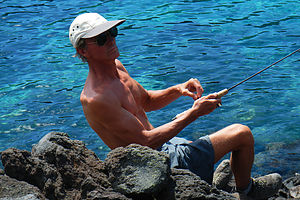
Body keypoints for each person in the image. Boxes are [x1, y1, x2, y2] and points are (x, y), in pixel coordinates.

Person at [69, 13, 282, 199]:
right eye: (101, 38)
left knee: (194, 143)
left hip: (164, 146)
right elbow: (145, 142)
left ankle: (215, 183)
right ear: (83, 51)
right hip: (157, 164)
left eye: (113, 32)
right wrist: (194, 113)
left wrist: (179, 89)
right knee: (242, 134)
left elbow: (147, 101)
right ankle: (247, 192)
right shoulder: (96, 98)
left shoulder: (117, 67)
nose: (111, 40)